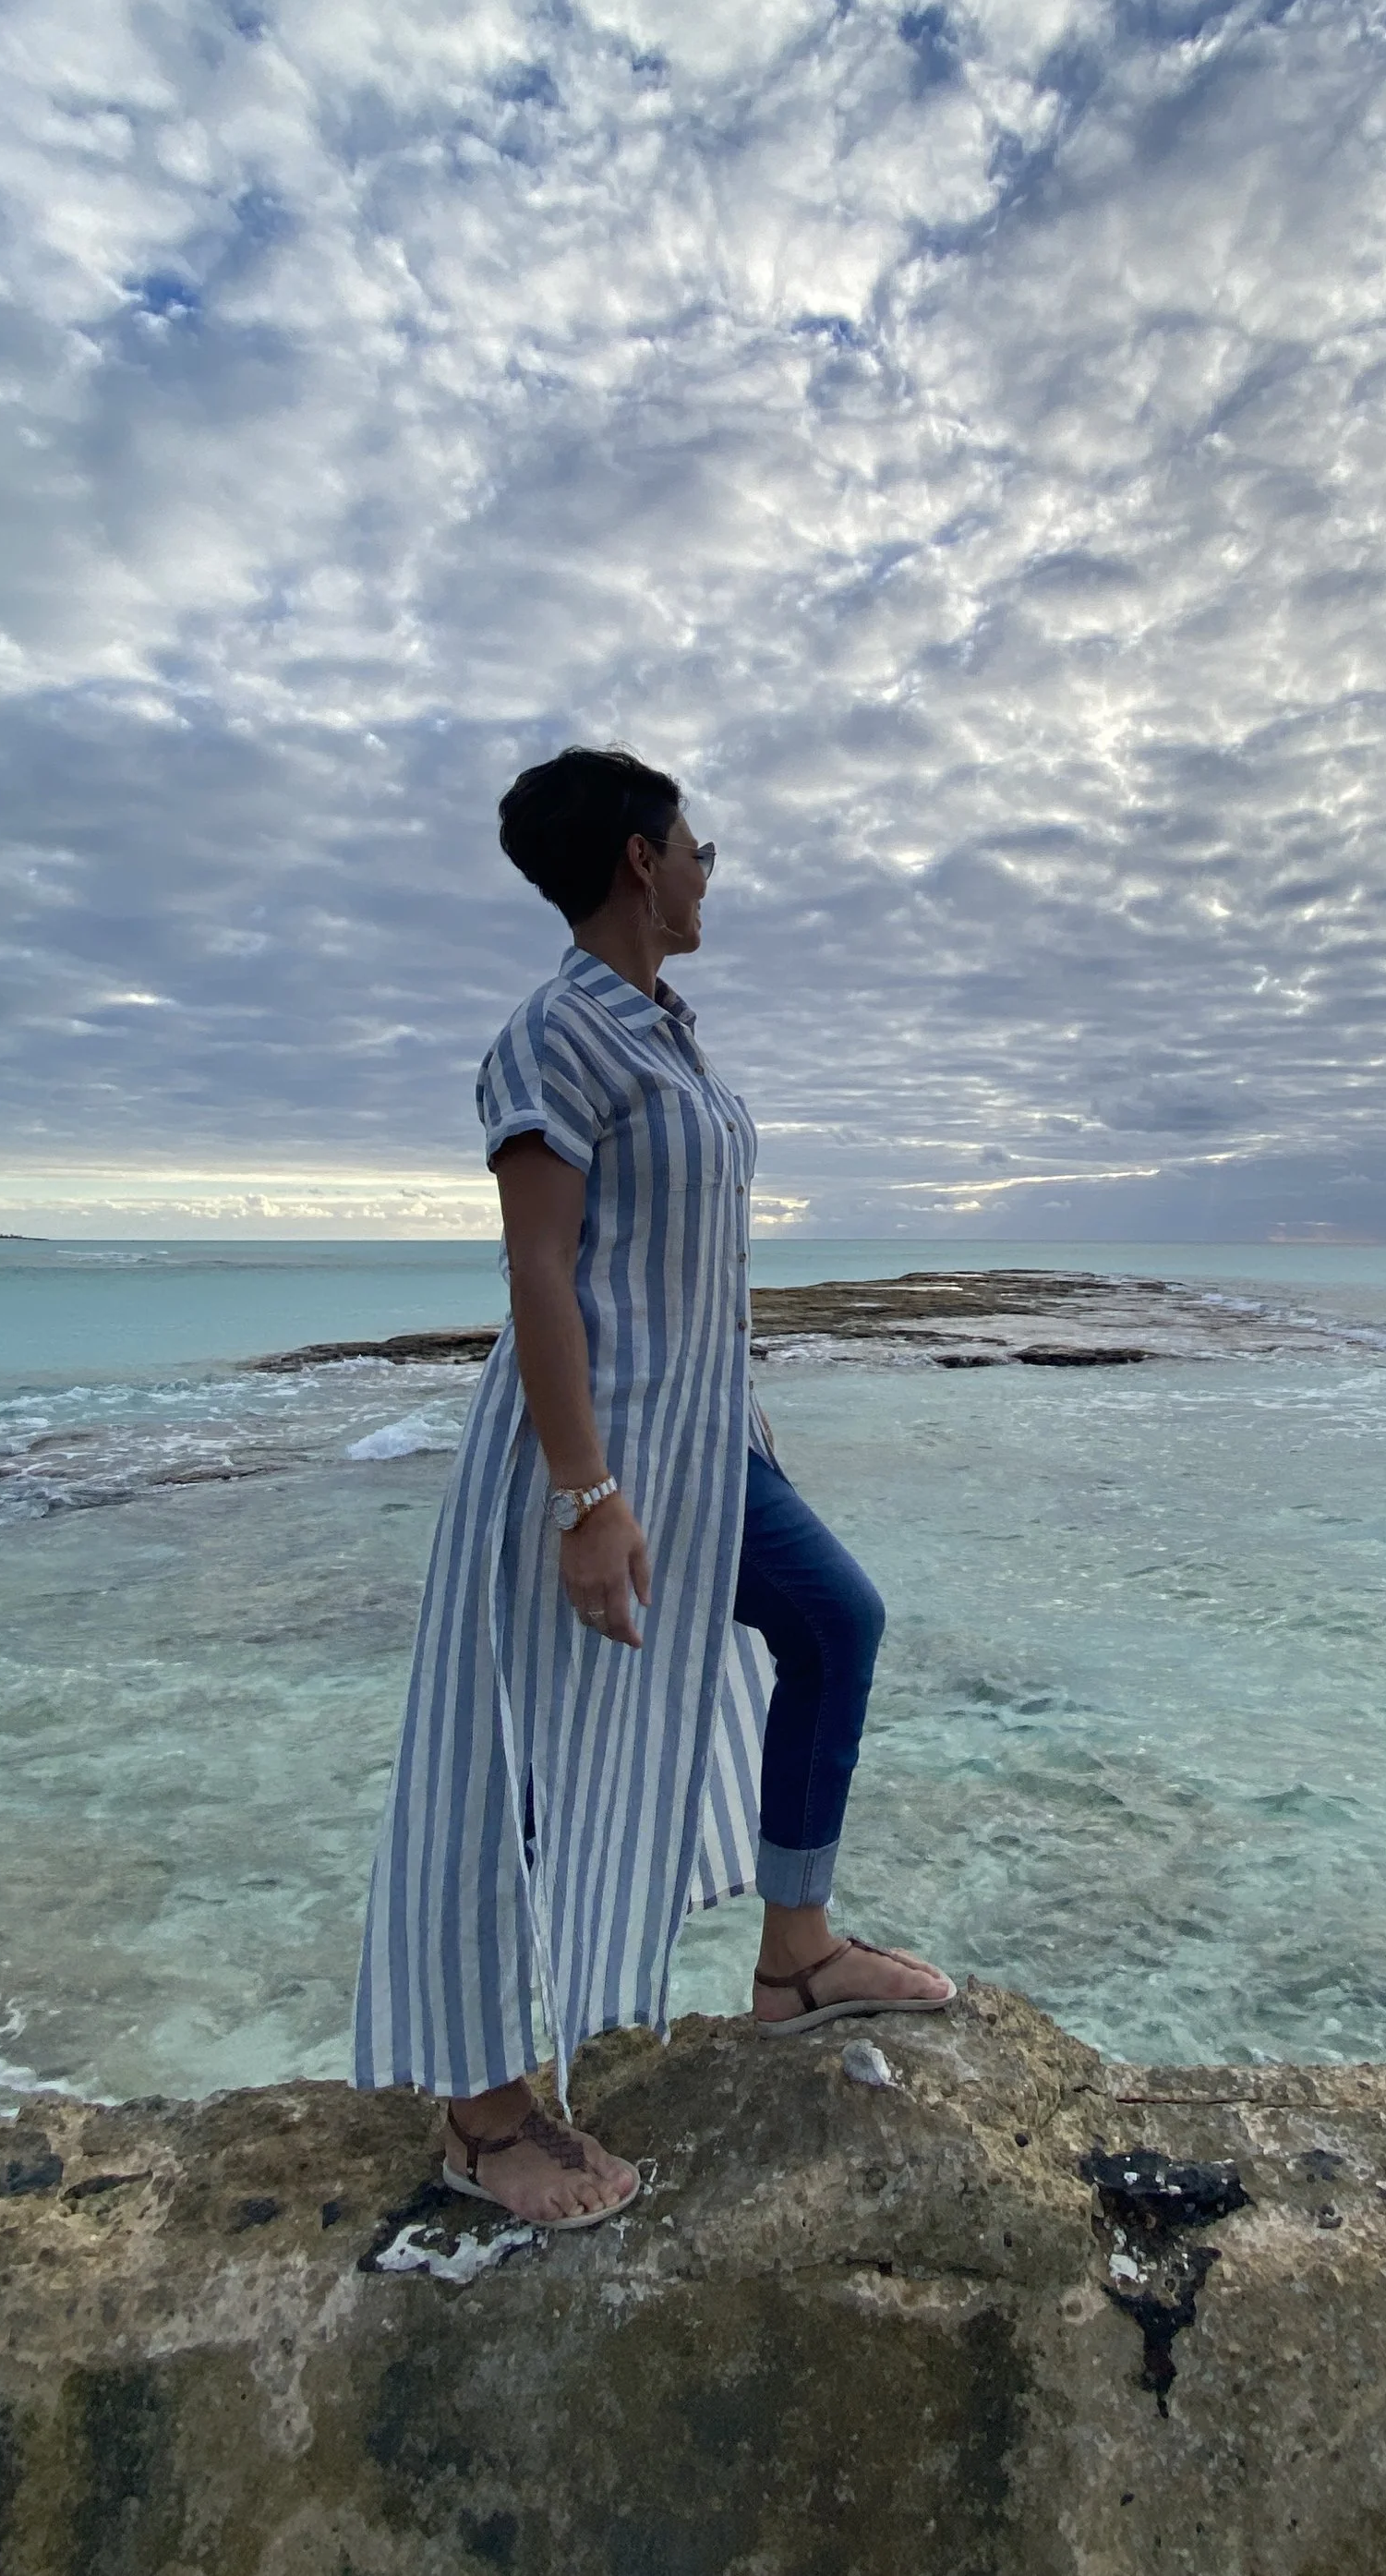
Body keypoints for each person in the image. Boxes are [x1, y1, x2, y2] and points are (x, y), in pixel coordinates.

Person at [352, 745, 954, 2224]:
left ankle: (795, 1955)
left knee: (835, 1623)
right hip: (600, 1464)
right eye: (695, 847)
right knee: (520, 1771)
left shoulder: (670, 1035)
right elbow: (538, 1272)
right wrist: (581, 1495)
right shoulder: (554, 1036)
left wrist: (737, 1429)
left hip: (709, 1453)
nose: (707, 870)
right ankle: (483, 2116)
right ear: (638, 857)